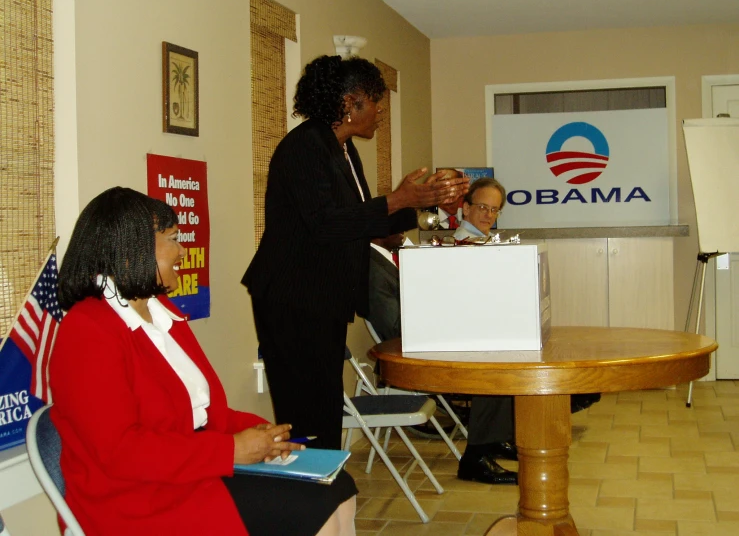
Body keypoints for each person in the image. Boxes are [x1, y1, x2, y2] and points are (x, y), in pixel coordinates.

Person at [51, 187, 358, 536]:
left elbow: (203, 411)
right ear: (130, 251)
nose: (182, 251)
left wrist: (261, 433)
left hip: (191, 471)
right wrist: (230, 450)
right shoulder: (87, 330)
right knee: (310, 508)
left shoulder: (160, 311)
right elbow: (121, 452)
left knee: (337, 487)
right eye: (172, 239)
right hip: (135, 500)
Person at [242, 55, 469, 451]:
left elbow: (360, 224)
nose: (381, 110)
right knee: (307, 410)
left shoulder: (343, 149)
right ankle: (313, 493)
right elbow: (325, 224)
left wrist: (417, 207)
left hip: (322, 298)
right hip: (293, 298)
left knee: (324, 405)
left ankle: (326, 487)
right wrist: (396, 199)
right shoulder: (305, 146)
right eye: (375, 100)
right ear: (349, 102)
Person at [366, 233, 518, 485]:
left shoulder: (394, 257)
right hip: (411, 355)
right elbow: (396, 328)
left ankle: (492, 440)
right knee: (491, 366)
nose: (406, 231)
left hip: (429, 341)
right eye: (399, 224)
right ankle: (475, 459)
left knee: (501, 347)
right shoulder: (372, 268)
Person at [453, 178, 601, 412]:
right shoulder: (462, 246)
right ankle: (552, 401)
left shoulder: (482, 241)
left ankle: (558, 398)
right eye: (483, 207)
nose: (489, 215)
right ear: (466, 208)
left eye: (494, 210)